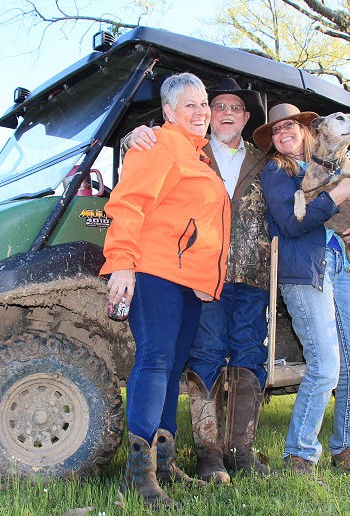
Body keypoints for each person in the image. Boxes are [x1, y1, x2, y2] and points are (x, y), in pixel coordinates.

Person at [123, 77, 271, 482]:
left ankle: (211, 457)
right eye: (202, 104)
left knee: (203, 362)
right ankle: (176, 462)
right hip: (175, 272)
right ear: (169, 111)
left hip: (228, 276)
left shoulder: (253, 159)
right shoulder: (171, 145)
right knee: (174, 359)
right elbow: (134, 194)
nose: (211, 112)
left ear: (245, 117)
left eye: (207, 104)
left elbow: (308, 181)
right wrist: (130, 136)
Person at [101, 72, 231, 508]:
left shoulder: (201, 158)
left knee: (173, 366)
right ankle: (138, 474)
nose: (200, 111)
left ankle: (164, 460)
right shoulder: (159, 143)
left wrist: (206, 279)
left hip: (187, 281)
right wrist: (122, 263)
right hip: (154, 270)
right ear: (169, 112)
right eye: (189, 104)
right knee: (155, 360)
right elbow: (129, 203)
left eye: (204, 103)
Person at [255, 103, 350, 485]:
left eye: (289, 126)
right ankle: (299, 455)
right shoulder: (276, 174)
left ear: (306, 129)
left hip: (345, 269)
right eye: (276, 131)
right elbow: (292, 224)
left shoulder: (334, 163)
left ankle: (346, 449)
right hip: (304, 272)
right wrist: (336, 196)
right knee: (325, 366)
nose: (284, 134)